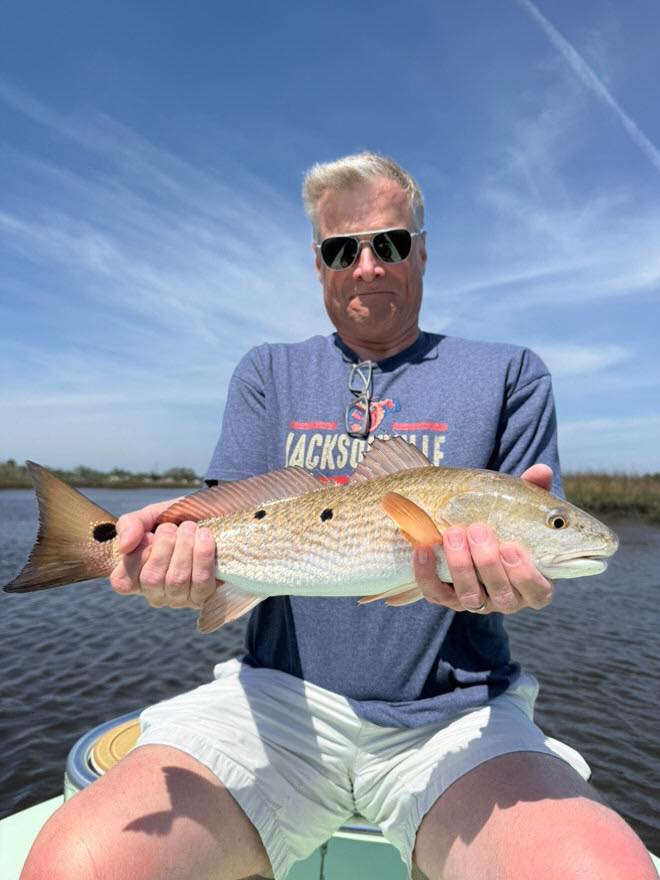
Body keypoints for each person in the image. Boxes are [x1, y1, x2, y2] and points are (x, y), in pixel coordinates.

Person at [21, 153, 655, 880]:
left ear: (420, 248)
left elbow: (528, 571)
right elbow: (227, 530)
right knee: (75, 865)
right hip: (273, 700)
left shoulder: (512, 372)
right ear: (317, 264)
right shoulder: (267, 370)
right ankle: (80, 546)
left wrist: (522, 572)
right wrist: (182, 571)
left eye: (388, 243)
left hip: (456, 715)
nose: (367, 267)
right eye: (340, 249)